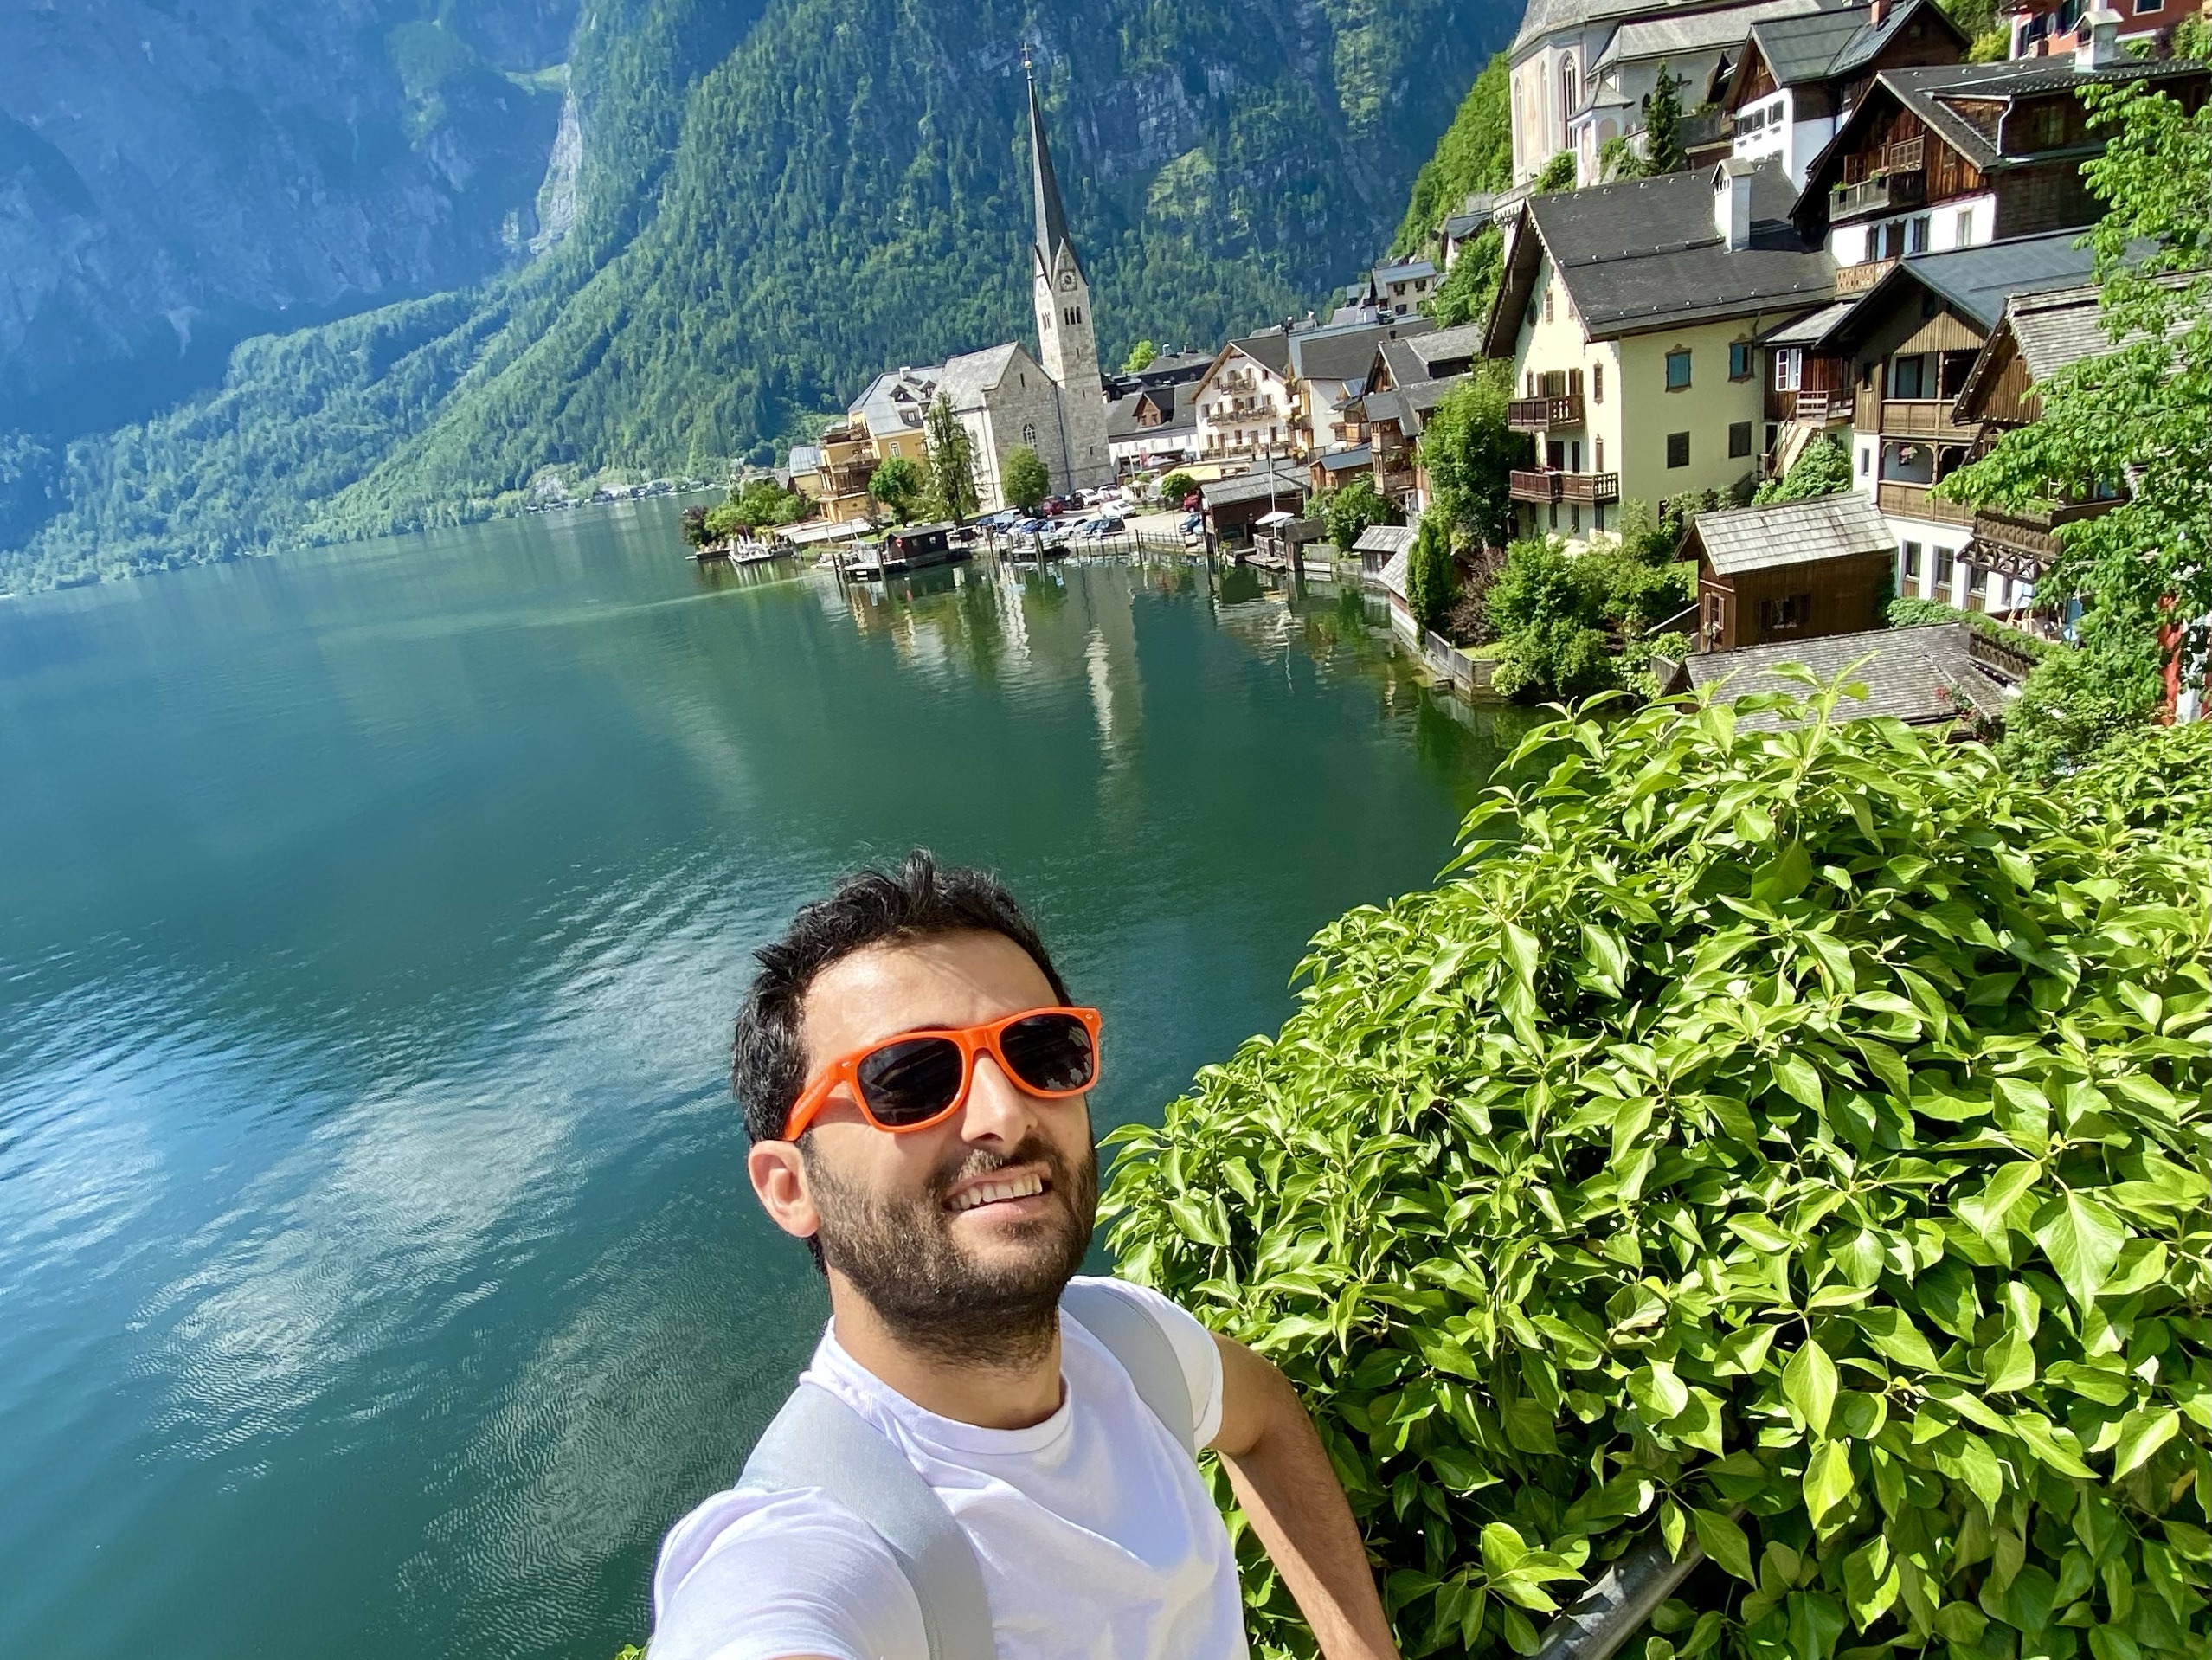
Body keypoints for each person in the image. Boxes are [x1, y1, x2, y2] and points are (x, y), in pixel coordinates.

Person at [648, 852, 1400, 1660]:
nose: (1003, 1115)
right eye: (908, 1079)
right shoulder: (813, 1539)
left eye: (1041, 1052)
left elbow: (1265, 1416)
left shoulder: (1133, 1345)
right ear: (790, 1187)